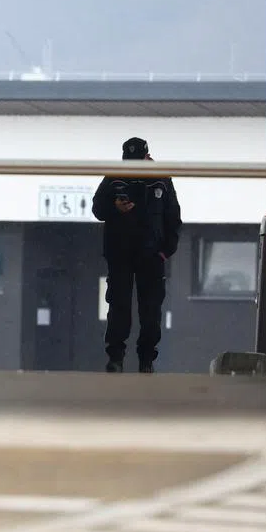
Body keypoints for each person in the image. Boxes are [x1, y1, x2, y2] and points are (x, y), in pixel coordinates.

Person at [91, 137, 182, 373]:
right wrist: (115, 208)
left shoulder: (161, 179)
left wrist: (166, 251)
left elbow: (173, 217)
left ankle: (146, 360)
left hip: (152, 256)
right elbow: (97, 209)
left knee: (151, 311)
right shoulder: (113, 177)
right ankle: (116, 358)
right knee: (118, 306)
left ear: (146, 157)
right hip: (120, 253)